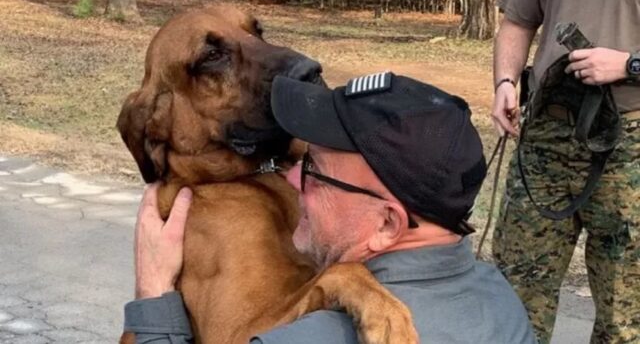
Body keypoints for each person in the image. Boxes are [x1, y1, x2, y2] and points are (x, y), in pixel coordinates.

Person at [123, 72, 536, 343]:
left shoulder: (314, 336)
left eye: (314, 172)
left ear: (387, 224)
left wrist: (154, 300)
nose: (289, 179)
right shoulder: (505, 305)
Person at [491, 0, 640, 343]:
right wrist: (505, 82)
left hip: (629, 141)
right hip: (546, 132)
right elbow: (517, 23)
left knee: (625, 310)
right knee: (516, 290)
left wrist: (628, 64)